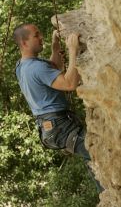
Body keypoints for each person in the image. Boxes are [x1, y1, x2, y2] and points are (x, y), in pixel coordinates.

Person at [13, 23, 104, 193]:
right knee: (97, 152)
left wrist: (55, 45)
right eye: (36, 35)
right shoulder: (36, 68)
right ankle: (111, 198)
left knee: (92, 155)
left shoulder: (22, 66)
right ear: (24, 43)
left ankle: (107, 197)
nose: (41, 38)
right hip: (60, 125)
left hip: (51, 127)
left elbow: (54, 68)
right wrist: (73, 51)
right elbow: (70, 83)